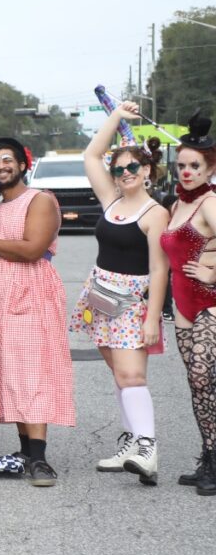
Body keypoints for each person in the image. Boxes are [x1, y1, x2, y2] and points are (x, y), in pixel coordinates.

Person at [0, 136, 75, 487]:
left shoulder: (39, 200)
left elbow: (32, 249)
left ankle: (40, 458)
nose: (1, 166)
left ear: (22, 165)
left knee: (32, 371)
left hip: (30, 294)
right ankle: (25, 449)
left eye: (7, 159)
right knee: (9, 372)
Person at [72, 102, 169, 485]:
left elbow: (159, 269)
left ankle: (147, 448)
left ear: (147, 171)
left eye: (133, 167)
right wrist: (116, 117)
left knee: (131, 375)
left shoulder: (155, 213)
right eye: (119, 169)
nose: (125, 173)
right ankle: (131, 442)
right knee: (119, 374)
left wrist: (152, 319)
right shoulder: (111, 201)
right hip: (100, 299)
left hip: (131, 304)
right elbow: (91, 155)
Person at [158, 111, 216, 495]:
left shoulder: (210, 202)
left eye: (194, 166)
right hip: (182, 303)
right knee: (199, 387)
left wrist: (212, 273)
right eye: (181, 166)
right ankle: (209, 458)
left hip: (211, 299)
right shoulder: (176, 205)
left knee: (202, 375)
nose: (187, 172)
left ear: (209, 168)